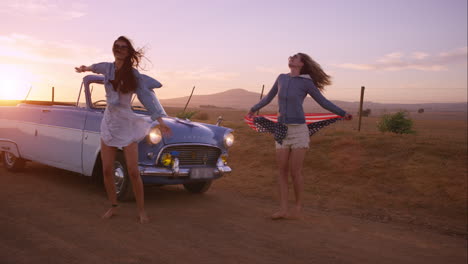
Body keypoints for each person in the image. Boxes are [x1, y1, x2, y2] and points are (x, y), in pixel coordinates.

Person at [75, 36, 171, 223]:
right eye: (116, 46)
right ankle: (113, 206)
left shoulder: (133, 75)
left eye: (123, 48)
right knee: (107, 170)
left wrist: (160, 120)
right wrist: (83, 68)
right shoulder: (107, 68)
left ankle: (141, 210)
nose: (118, 49)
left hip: (127, 124)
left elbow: (145, 95)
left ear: (128, 52)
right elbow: (94, 66)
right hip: (109, 122)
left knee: (133, 171)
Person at [248, 53, 352, 220]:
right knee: (282, 170)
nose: (291, 58)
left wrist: (342, 113)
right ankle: (283, 209)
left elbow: (323, 101)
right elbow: (268, 97)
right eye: (290, 57)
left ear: (302, 63)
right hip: (281, 128)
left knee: (295, 172)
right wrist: (254, 108)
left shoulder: (307, 83)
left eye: (295, 57)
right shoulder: (281, 78)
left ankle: (297, 207)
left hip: (299, 131)